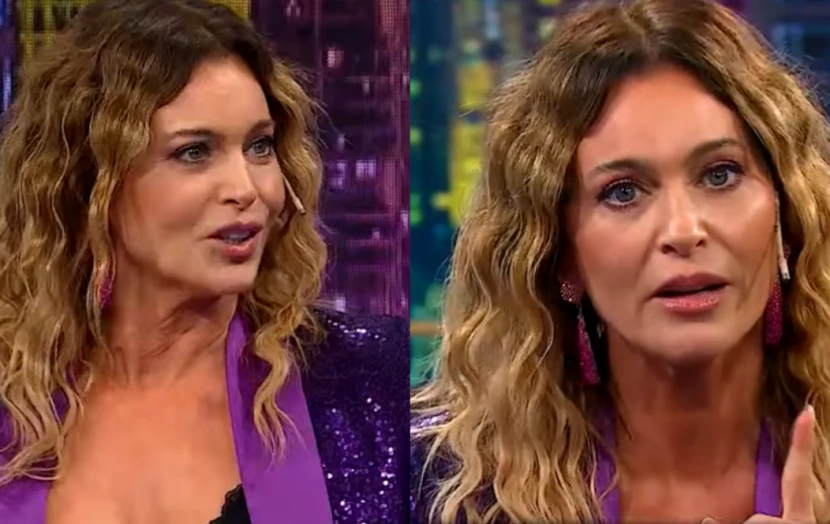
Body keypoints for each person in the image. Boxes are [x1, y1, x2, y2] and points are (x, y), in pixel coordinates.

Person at [411, 0, 830, 522]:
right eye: (623, 191)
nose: (683, 231)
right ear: (561, 255)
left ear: (786, 216)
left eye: (720, 174)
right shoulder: (441, 484)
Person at [0, 1, 409, 523]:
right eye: (194, 152)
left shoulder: (370, 380)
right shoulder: (14, 396)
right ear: (90, 182)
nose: (248, 189)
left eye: (260, 147)